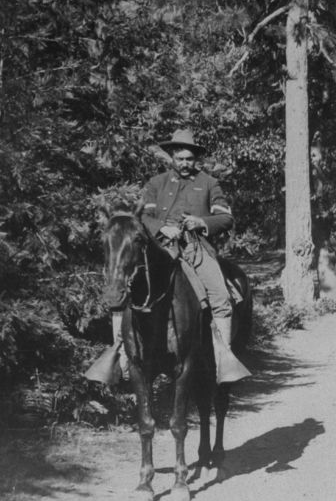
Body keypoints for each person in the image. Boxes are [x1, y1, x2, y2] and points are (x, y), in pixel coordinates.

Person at [86, 129, 251, 385]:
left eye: (189, 159)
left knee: (221, 297)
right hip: (160, 247)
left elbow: (226, 218)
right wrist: (161, 227)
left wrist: (200, 222)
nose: (184, 163)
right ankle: (120, 356)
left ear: (196, 158)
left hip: (196, 249)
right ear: (171, 157)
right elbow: (141, 216)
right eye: (180, 158)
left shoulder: (209, 183)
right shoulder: (156, 183)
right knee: (125, 290)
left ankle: (223, 358)